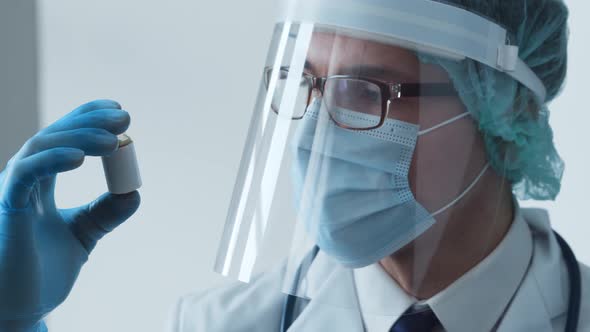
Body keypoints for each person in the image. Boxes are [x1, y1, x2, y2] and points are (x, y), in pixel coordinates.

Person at [0, 0, 588, 331]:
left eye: (367, 90)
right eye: (305, 83)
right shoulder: (222, 326)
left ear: (501, 107)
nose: (316, 130)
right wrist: (17, 321)